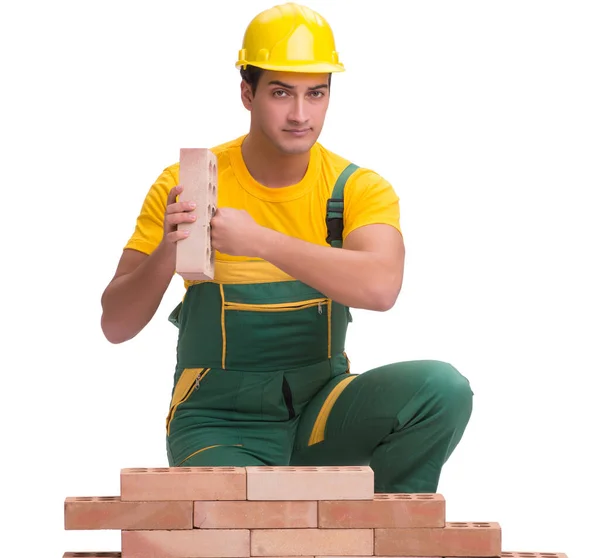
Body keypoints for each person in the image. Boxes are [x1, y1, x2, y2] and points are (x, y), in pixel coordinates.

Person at [100, 2, 473, 493]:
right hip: (218, 423)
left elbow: (382, 288)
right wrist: (170, 249)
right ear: (247, 93)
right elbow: (116, 324)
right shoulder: (185, 184)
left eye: (315, 94)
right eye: (281, 93)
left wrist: (259, 241)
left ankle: (386, 532)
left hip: (321, 413)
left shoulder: (355, 189)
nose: (301, 114)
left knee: (440, 390)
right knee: (240, 515)